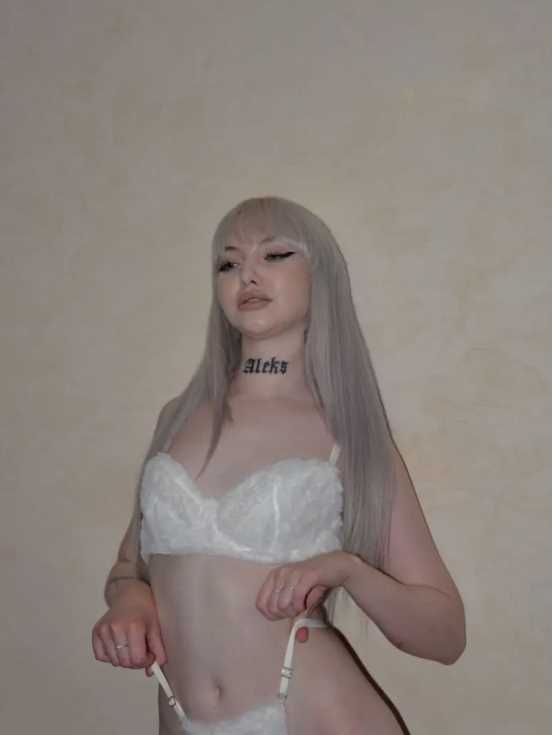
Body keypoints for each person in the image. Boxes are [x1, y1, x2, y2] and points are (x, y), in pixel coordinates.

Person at [92, 196, 466, 734]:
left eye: (275, 254)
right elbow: (130, 568)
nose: (247, 274)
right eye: (228, 263)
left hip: (318, 713)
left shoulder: (347, 433)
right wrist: (128, 599)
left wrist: (346, 569)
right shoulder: (176, 418)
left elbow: (444, 635)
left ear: (320, 276)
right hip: (181, 718)